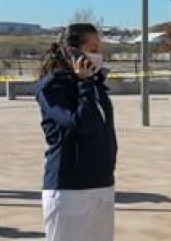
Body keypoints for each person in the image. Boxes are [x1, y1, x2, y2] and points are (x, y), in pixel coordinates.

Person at [34, 23, 117, 241]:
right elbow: (80, 123)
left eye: (99, 48)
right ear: (73, 52)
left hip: (101, 184)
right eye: (93, 48)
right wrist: (83, 84)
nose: (98, 54)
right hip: (70, 190)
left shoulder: (95, 84)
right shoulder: (53, 87)